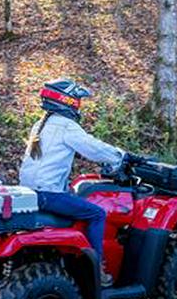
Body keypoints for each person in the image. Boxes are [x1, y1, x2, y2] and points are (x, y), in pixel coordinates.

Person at [19, 78, 124, 287]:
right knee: (97, 213)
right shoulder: (66, 127)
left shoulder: (40, 125)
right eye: (77, 101)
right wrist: (121, 156)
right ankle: (97, 267)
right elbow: (95, 148)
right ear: (68, 101)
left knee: (75, 198)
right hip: (49, 195)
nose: (79, 105)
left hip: (29, 192)